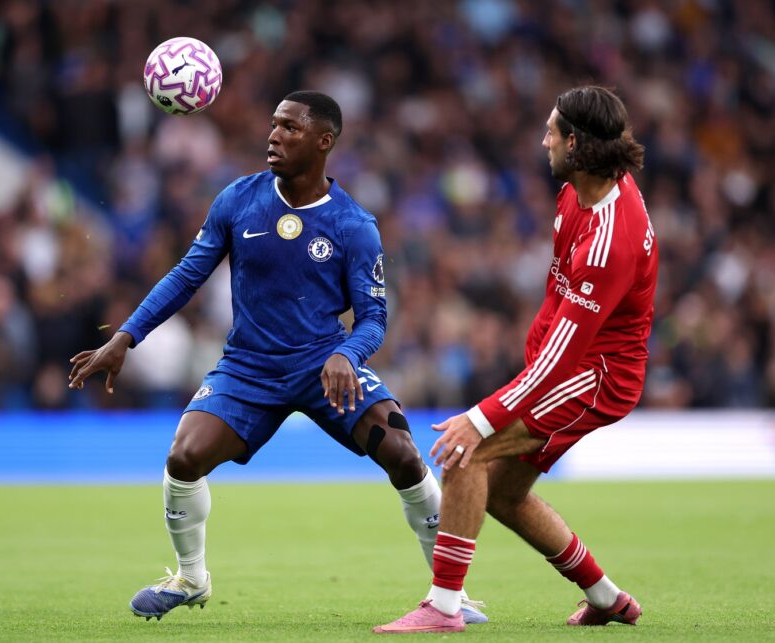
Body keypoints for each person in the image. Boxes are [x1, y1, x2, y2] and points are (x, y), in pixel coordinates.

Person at [68, 91, 486, 624]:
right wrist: (124, 338)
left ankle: (449, 597)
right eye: (273, 125)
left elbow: (375, 319)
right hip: (249, 367)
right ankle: (191, 577)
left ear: (324, 141)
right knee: (183, 458)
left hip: (323, 365)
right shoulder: (238, 200)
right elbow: (186, 275)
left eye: (290, 128)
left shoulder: (355, 225)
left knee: (404, 454)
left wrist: (345, 352)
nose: (274, 135)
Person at [374, 86, 657, 634]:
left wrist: (479, 418)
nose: (542, 139)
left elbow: (564, 358)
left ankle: (444, 607)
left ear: (577, 144)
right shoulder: (582, 188)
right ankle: (607, 597)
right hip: (569, 366)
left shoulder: (609, 239)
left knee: (467, 453)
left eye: (552, 131)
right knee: (503, 494)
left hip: (593, 377)